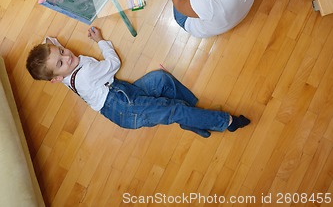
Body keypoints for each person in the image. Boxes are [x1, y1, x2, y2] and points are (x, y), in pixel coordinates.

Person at [26, 27, 250, 138]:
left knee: (161, 80)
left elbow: (51, 45)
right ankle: (226, 122)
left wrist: (50, 47)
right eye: (61, 62)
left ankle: (192, 120)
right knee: (173, 109)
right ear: (57, 78)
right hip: (125, 108)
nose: (68, 57)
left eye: (62, 51)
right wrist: (100, 41)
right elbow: (113, 62)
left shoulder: (62, 76)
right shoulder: (85, 74)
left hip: (124, 94)